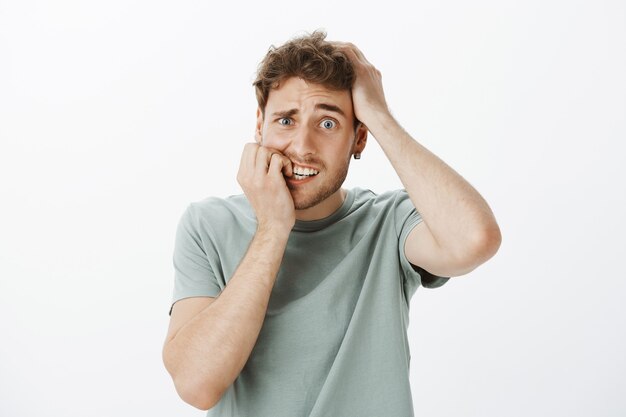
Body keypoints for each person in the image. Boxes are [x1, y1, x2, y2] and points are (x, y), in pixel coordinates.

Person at [162, 30, 501, 416]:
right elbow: (196, 385)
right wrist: (274, 227)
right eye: (286, 120)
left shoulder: (388, 224)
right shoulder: (208, 225)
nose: (302, 146)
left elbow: (475, 240)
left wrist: (378, 114)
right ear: (260, 126)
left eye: (327, 124)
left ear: (359, 140)